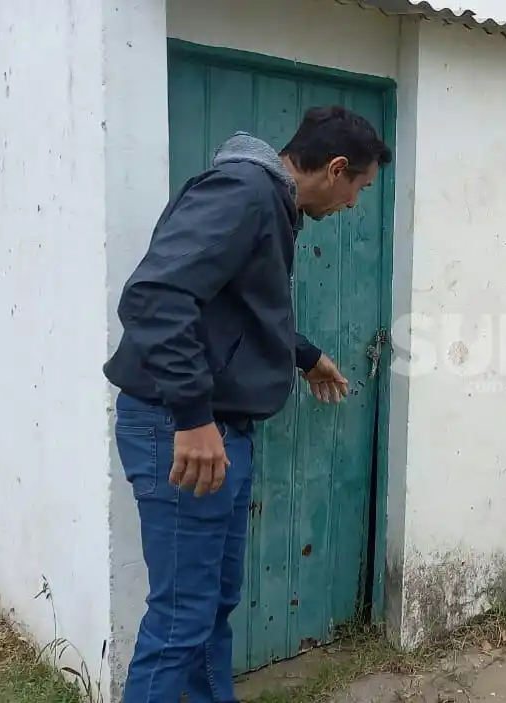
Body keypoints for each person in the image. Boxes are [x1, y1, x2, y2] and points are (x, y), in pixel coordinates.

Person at [104, 106, 392, 702]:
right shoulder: (243, 193)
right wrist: (192, 415)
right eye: (358, 188)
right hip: (180, 430)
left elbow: (238, 307)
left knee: (212, 604)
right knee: (183, 615)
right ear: (336, 169)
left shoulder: (271, 204)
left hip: (217, 430)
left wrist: (306, 355)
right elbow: (155, 296)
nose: (354, 205)